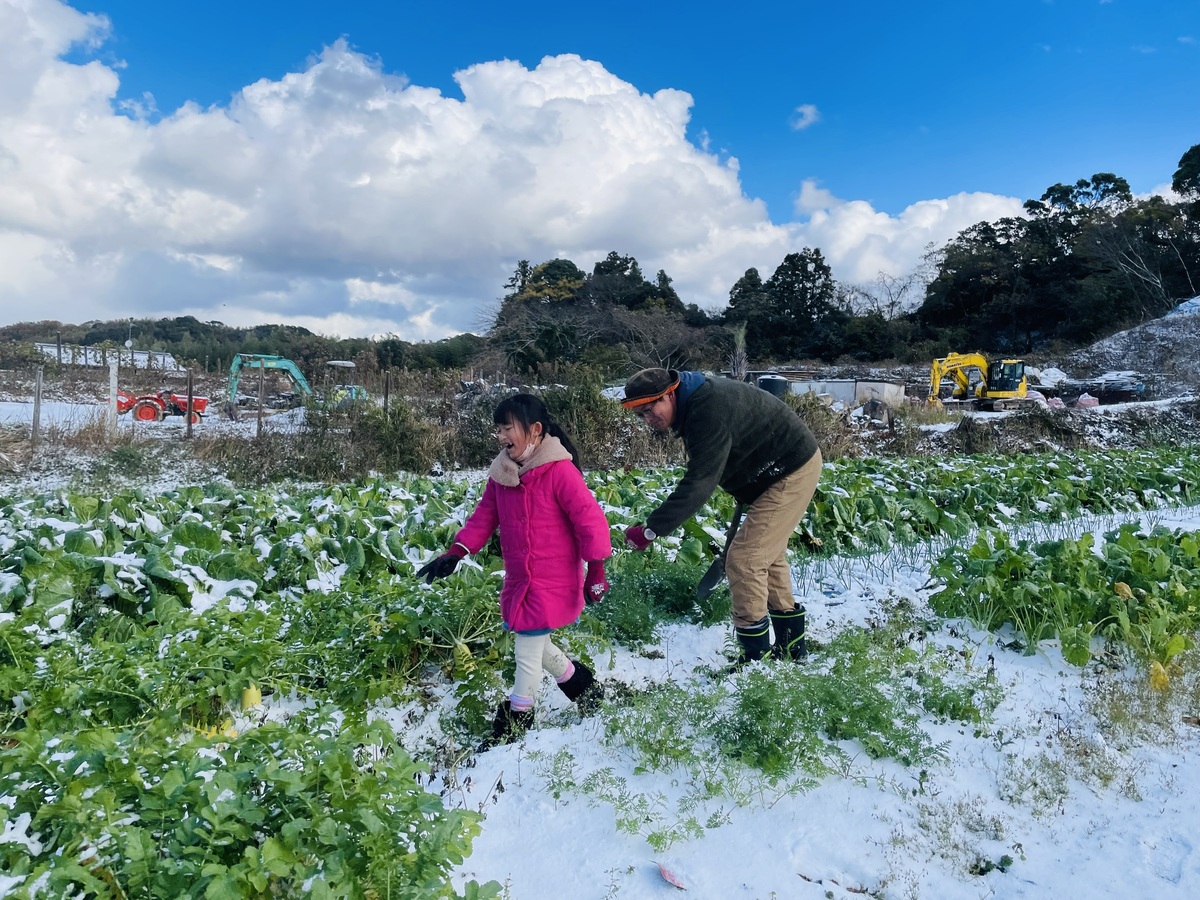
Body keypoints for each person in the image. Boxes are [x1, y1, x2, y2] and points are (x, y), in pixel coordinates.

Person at [417, 393, 612, 747]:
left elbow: (591, 521)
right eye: (499, 429)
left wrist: (596, 570)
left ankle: (515, 726)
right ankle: (586, 691)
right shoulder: (503, 473)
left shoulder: (559, 471)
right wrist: (456, 551)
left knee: (526, 651)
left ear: (535, 430)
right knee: (536, 644)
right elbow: (483, 517)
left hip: (554, 580)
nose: (501, 435)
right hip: (522, 579)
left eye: (508, 427)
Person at [620, 368, 822, 665]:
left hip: (789, 468)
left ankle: (755, 662)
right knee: (768, 557)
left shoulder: (707, 410)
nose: (648, 420)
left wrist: (651, 529)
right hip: (768, 473)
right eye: (641, 415)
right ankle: (792, 651)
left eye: (650, 410)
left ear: (670, 393)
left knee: (744, 559)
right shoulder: (695, 404)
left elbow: (699, 482)